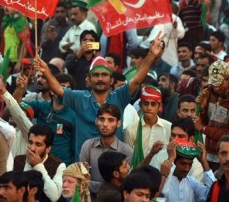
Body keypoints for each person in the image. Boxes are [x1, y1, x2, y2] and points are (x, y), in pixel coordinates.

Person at [34, 32, 165, 158]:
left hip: (114, 165)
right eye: (96, 75)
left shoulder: (119, 96)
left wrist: (151, 55)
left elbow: (136, 80)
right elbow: (58, 89)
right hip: (84, 166)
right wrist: (46, 71)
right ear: (89, 80)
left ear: (112, 80)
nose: (100, 79)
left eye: (104, 75)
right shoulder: (80, 98)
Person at [194, 60, 229, 170]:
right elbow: (200, 122)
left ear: (228, 79)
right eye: (213, 82)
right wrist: (202, 108)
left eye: (219, 83)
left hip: (227, 158)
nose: (216, 87)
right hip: (207, 155)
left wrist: (204, 129)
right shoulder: (208, 93)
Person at [79, 104, 132, 196]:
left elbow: (124, 184)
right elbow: (80, 179)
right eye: (101, 119)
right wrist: (109, 186)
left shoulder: (127, 151)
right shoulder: (87, 146)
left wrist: (92, 185)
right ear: (96, 121)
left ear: (118, 123)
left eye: (111, 120)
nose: (105, 124)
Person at [14, 124, 65, 202]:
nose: (32, 148)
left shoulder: (59, 165)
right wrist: (28, 163)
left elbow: (54, 197)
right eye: (30, 142)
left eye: (38, 144)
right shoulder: (18, 160)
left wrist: (38, 166)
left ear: (48, 149)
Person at [150, 118, 204, 182]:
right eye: (173, 135)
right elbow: (152, 184)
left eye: (181, 136)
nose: (175, 140)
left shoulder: (196, 165)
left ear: (191, 139)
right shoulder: (159, 156)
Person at [124, 85, 171, 157]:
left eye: (153, 104)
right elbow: (127, 158)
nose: (149, 108)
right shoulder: (130, 129)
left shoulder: (169, 128)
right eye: (146, 103)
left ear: (160, 107)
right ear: (140, 105)